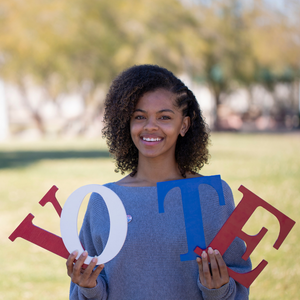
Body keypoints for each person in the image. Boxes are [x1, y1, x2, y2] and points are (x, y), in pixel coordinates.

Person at [66, 64, 251, 300]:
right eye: (140, 116)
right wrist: (88, 288)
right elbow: (88, 290)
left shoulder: (212, 195)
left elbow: (239, 284)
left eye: (164, 117)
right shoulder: (103, 201)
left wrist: (218, 290)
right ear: (127, 124)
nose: (150, 126)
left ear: (183, 125)